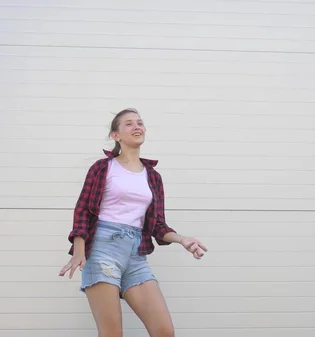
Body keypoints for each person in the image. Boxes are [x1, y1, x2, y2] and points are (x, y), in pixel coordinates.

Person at [58, 108, 208, 337]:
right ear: (115, 135)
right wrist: (79, 250)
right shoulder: (103, 168)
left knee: (164, 331)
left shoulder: (153, 176)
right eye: (128, 124)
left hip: (136, 255)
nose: (137, 126)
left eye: (139, 122)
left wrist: (182, 239)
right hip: (103, 250)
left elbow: (158, 226)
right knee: (111, 334)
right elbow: (83, 210)